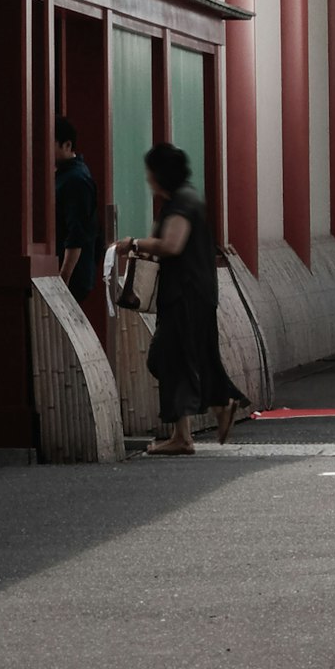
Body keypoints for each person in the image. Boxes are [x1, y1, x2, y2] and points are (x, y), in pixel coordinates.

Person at [114, 143, 248, 455]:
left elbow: (173, 245)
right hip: (193, 292)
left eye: (150, 171)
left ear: (161, 173)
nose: (147, 178)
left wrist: (133, 243)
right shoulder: (185, 198)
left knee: (166, 356)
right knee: (190, 357)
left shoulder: (181, 203)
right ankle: (208, 412)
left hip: (185, 293)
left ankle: (186, 432)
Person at [52, 118, 101, 315]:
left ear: (67, 145)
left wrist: (63, 278)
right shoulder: (66, 175)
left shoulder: (75, 180)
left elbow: (76, 233)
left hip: (71, 275)